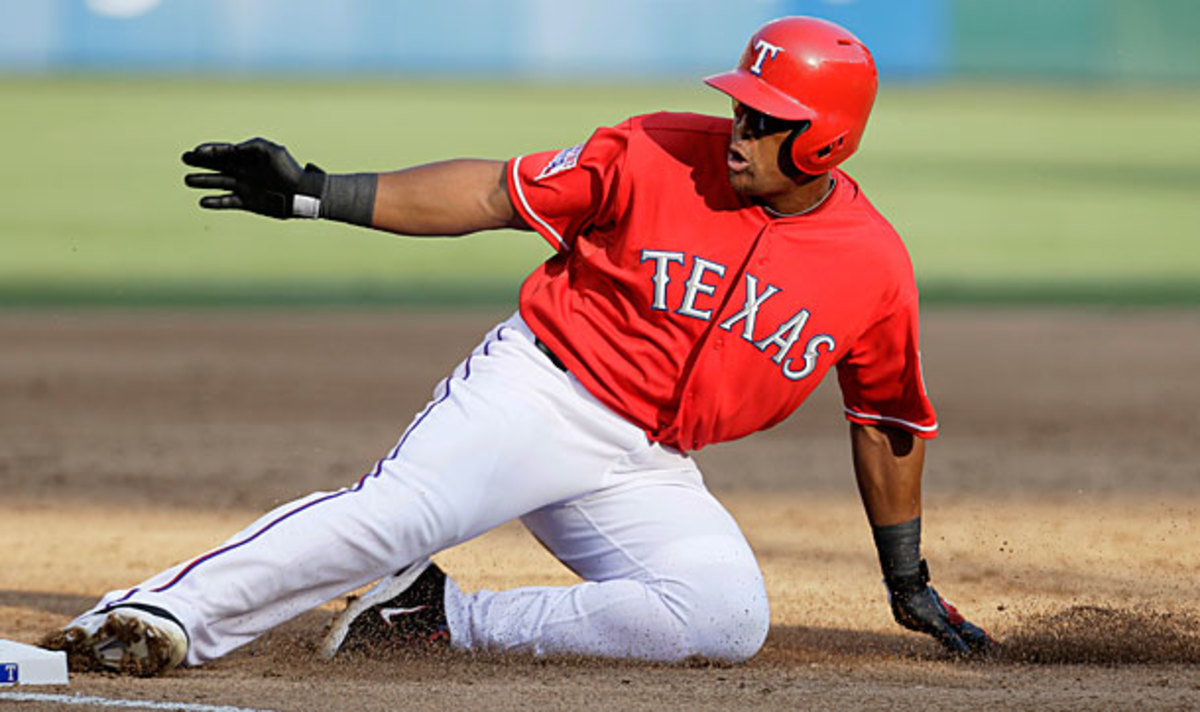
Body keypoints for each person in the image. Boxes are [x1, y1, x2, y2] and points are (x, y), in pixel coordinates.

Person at [42, 16, 992, 676]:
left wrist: (905, 581)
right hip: (540, 393)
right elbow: (498, 194)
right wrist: (316, 192)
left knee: (722, 616)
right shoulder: (656, 150)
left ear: (824, 144)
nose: (737, 130)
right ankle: (160, 614)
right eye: (739, 106)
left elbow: (887, 420)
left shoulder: (871, 266)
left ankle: (431, 619)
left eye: (765, 120)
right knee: (399, 515)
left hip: (647, 463)